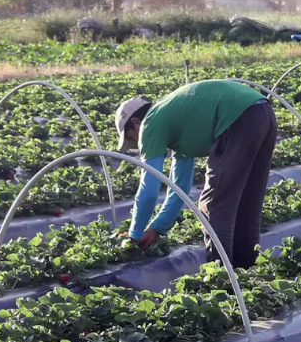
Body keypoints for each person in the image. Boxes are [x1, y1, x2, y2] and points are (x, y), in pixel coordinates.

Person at [115, 79, 278, 269]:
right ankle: (246, 272)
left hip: (237, 118)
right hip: (262, 111)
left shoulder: (151, 123)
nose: (137, 144)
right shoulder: (175, 121)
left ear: (136, 123)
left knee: (214, 205)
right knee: (247, 203)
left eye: (131, 138)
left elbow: (150, 187)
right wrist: (156, 227)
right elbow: (180, 189)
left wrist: (134, 235)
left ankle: (222, 278)